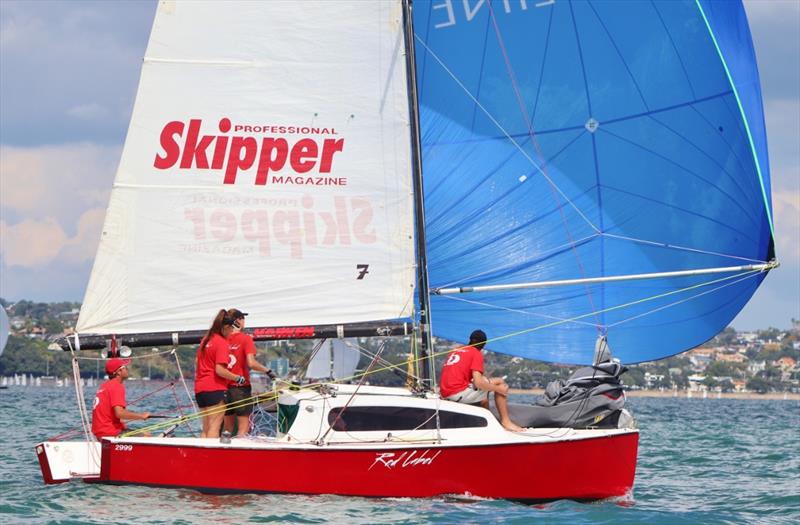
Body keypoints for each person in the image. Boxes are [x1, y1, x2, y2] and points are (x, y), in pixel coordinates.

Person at [439, 329, 523, 432]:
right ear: (483, 345)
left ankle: (486, 423)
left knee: (491, 385)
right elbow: (478, 382)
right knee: (501, 385)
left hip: (444, 392)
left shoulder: (456, 350)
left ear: (470, 340)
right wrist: (499, 389)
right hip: (456, 393)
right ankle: (506, 422)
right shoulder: (476, 353)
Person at [222, 309, 277, 437]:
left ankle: (224, 452)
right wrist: (268, 371)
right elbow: (251, 363)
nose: (244, 321)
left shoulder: (221, 339)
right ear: (238, 321)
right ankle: (238, 456)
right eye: (243, 318)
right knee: (243, 429)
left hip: (223, 387)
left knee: (227, 429)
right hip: (240, 388)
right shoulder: (245, 339)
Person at [195, 309, 247, 438]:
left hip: (200, 389)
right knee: (214, 427)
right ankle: (210, 457)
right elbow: (220, 370)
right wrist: (238, 378)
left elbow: (197, 361)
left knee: (206, 428)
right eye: (231, 329)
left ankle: (202, 457)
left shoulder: (206, 340)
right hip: (215, 388)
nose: (232, 333)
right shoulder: (222, 343)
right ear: (225, 327)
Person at [92, 358, 150, 439]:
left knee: (142, 432)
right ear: (119, 372)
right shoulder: (116, 386)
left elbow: (112, 415)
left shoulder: (104, 386)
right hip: (110, 432)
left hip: (100, 433)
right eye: (125, 367)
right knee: (147, 435)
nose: (127, 369)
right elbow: (119, 413)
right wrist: (141, 416)